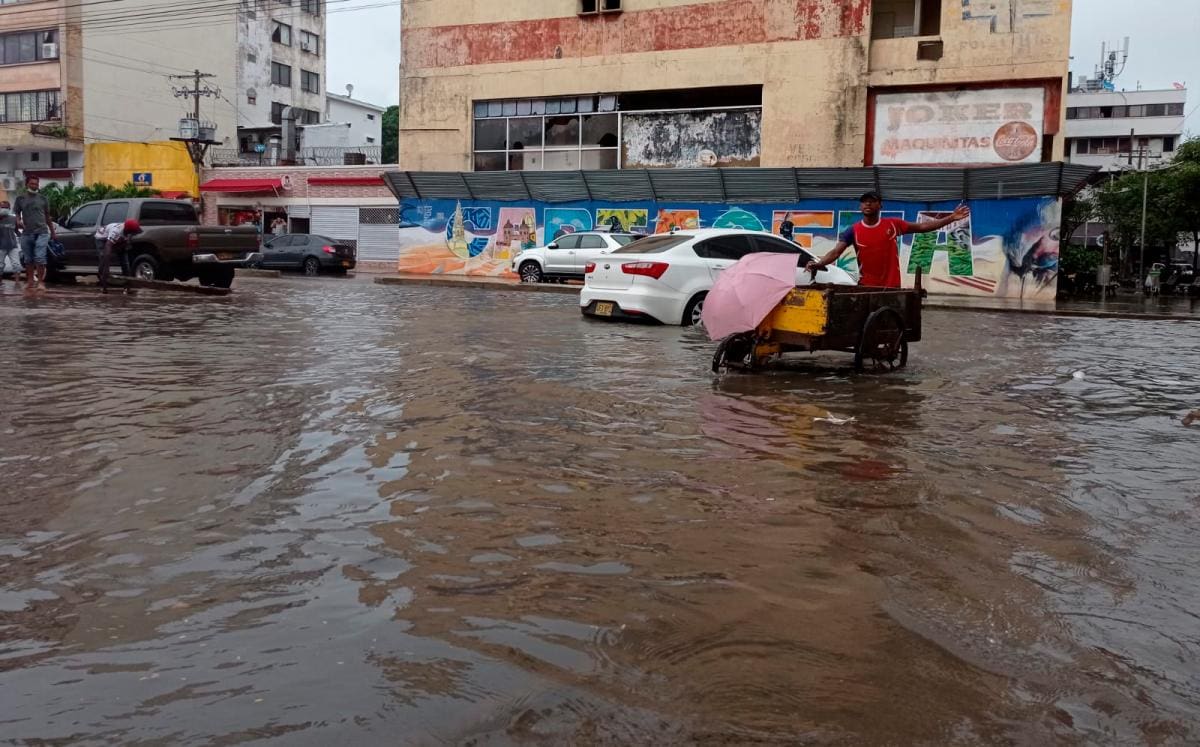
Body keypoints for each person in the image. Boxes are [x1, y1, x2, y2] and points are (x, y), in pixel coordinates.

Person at [806, 192, 970, 288]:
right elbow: (835, 252)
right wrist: (819, 264)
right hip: (866, 287)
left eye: (872, 201)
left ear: (880, 206)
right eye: (864, 202)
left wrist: (951, 218)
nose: (867, 204)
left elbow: (922, 227)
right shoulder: (853, 230)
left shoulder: (893, 224)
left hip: (891, 287)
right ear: (860, 207)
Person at [14, 176, 54, 292]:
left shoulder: (43, 199)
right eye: (32, 184)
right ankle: (30, 281)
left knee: (40, 258)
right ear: (27, 184)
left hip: (42, 232)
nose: (34, 186)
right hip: (26, 233)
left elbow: (47, 216)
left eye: (36, 184)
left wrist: (52, 231)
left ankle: (41, 282)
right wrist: (18, 221)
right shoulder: (20, 199)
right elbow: (17, 213)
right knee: (28, 259)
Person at [95, 218, 142, 294]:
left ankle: (127, 287)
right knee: (104, 258)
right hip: (102, 238)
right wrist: (107, 267)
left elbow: (127, 242)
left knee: (125, 263)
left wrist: (125, 244)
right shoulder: (116, 232)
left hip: (119, 240)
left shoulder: (129, 231)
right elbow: (108, 246)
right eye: (134, 233)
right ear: (129, 231)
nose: (135, 234)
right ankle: (104, 287)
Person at [0, 200, 21, 285]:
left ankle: (17, 283)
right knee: (0, 265)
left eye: (6, 207)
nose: (4, 209)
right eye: (2, 207)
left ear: (9, 208)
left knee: (16, 264)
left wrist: (22, 235)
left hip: (13, 245)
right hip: (1, 246)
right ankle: (0, 282)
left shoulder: (13, 218)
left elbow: (16, 231)